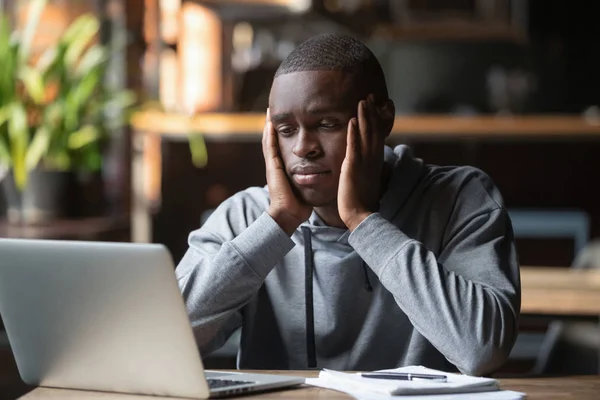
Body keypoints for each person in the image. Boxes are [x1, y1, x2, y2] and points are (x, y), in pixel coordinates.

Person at [175, 33, 521, 376]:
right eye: (285, 129)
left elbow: (482, 350)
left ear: (383, 119)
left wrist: (363, 221)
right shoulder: (246, 216)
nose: (302, 148)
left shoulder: (459, 197)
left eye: (327, 124)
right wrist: (277, 223)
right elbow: (170, 339)